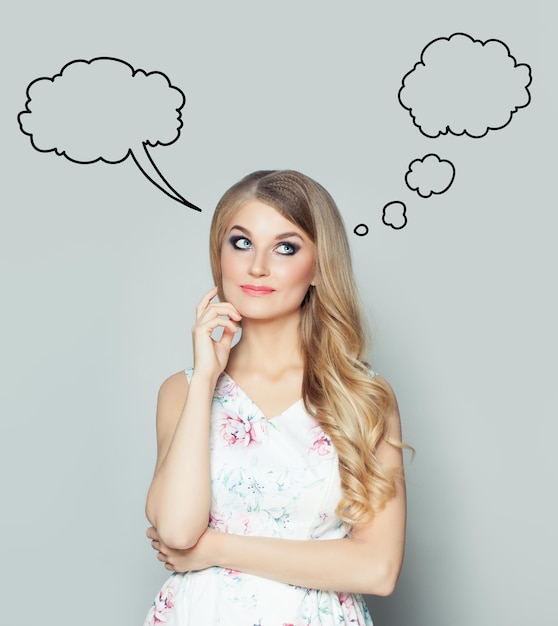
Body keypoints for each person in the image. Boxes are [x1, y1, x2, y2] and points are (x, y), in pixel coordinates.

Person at [142, 170, 407, 625]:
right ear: (219, 255)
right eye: (241, 243)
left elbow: (378, 569)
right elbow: (177, 530)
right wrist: (207, 375)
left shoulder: (363, 398)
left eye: (286, 247)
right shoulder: (183, 390)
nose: (257, 266)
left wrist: (216, 548)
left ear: (320, 266)